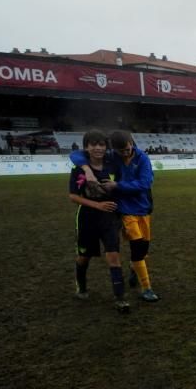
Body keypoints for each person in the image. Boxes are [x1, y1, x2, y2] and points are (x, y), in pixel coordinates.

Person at [71, 131, 160, 302]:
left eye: (127, 149)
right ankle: (146, 288)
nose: (125, 153)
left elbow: (145, 183)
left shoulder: (142, 159)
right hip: (125, 210)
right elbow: (75, 154)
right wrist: (86, 169)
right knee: (136, 246)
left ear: (132, 143)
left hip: (143, 209)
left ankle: (134, 268)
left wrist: (118, 185)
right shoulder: (113, 157)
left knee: (143, 249)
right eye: (121, 151)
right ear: (115, 150)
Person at [68, 130, 130, 313]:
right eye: (93, 144)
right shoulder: (78, 168)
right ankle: (81, 286)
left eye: (101, 144)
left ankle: (120, 298)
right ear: (86, 147)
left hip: (110, 216)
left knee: (113, 255)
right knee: (84, 256)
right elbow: (73, 196)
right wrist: (98, 205)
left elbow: (120, 188)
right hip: (87, 217)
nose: (98, 148)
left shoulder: (112, 163)